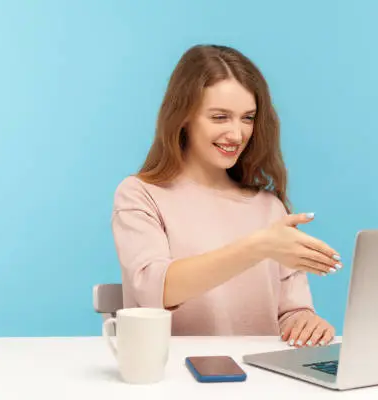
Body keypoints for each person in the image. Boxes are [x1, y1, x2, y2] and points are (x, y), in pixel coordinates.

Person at [111, 44, 342, 348]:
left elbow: (292, 311)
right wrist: (257, 246)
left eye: (247, 118)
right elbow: (157, 289)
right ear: (183, 118)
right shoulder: (140, 195)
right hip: (175, 378)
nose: (237, 135)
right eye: (220, 117)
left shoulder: (268, 207)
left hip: (258, 381)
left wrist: (305, 322)